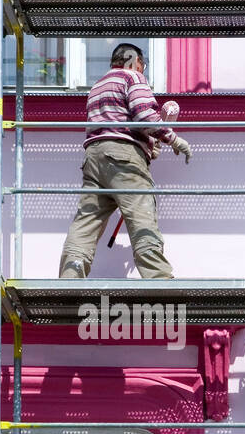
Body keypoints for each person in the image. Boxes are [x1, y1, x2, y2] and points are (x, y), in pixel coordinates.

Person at [58, 42, 191, 280]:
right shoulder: (133, 77)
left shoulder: (97, 86)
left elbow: (115, 121)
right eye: (143, 65)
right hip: (123, 157)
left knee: (86, 222)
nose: (143, 70)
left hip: (94, 159)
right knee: (141, 215)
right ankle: (159, 278)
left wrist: (148, 145)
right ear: (136, 61)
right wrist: (172, 139)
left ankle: (70, 275)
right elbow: (144, 116)